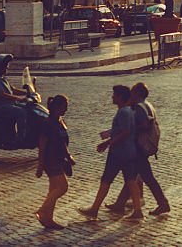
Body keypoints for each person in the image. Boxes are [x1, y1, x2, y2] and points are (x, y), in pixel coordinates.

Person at [79, 85, 143, 220]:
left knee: (106, 180)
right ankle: (137, 211)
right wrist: (110, 133)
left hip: (119, 152)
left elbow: (126, 132)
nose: (112, 97)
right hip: (130, 151)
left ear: (120, 97)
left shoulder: (123, 112)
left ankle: (94, 209)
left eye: (114, 95)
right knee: (131, 181)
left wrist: (107, 143)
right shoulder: (129, 111)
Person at [105, 83, 169, 216]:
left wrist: (131, 130)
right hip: (141, 147)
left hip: (139, 147)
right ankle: (120, 203)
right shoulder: (148, 105)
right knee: (132, 176)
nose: (130, 95)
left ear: (138, 93)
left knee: (145, 177)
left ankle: (162, 203)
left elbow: (144, 124)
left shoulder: (140, 107)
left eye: (133, 92)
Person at [36, 95, 74, 229]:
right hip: (50, 160)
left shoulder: (60, 121)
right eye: (65, 106)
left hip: (59, 159)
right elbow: (42, 144)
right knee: (63, 187)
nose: (66, 109)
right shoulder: (48, 123)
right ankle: (42, 210)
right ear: (57, 107)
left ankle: (48, 219)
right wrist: (40, 165)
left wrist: (68, 156)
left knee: (53, 189)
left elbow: (62, 142)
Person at [0, 54, 28, 147]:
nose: (7, 68)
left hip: (8, 105)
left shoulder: (2, 78)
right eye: (5, 66)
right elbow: (2, 94)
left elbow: (12, 89)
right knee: (21, 113)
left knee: (26, 108)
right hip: (0, 107)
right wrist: (18, 98)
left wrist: (27, 92)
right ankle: (20, 139)